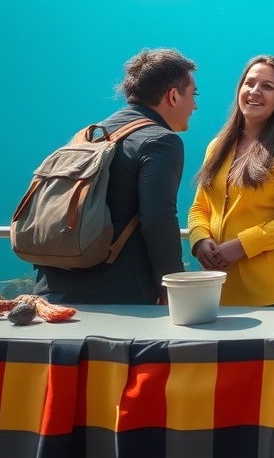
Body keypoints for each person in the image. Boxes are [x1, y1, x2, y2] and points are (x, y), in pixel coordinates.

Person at [34, 48, 198, 305]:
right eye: (192, 94)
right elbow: (158, 220)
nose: (195, 105)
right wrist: (173, 287)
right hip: (116, 294)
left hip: (52, 284)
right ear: (173, 96)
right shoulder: (161, 141)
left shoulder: (87, 136)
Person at [188, 55, 274, 307]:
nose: (255, 91)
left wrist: (242, 246)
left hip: (270, 298)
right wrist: (200, 239)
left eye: (267, 87)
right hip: (216, 292)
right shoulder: (217, 147)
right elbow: (200, 207)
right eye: (250, 83)